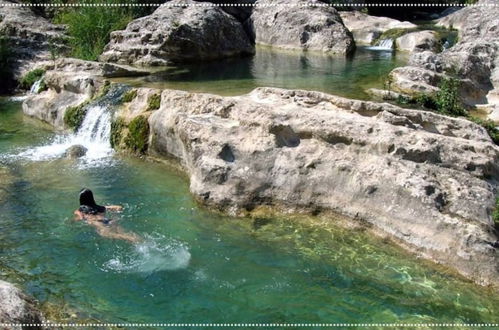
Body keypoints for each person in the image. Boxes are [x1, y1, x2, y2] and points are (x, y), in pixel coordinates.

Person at [74, 188, 140, 243]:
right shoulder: (100, 207)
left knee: (104, 234)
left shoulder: (79, 211)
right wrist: (115, 215)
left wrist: (72, 221)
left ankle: (128, 238)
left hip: (98, 222)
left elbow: (81, 217)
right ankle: (137, 239)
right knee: (124, 233)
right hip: (109, 220)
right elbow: (119, 207)